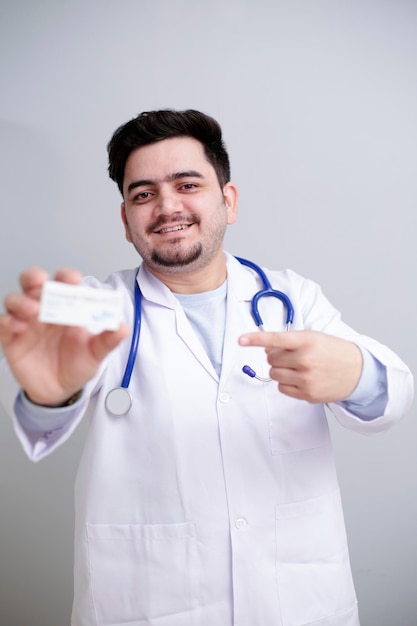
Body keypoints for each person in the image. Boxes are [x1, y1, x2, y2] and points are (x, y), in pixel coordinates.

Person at [0, 109, 413, 626]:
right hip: (152, 605)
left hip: (299, 605)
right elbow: (45, 409)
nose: (167, 206)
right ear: (127, 220)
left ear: (228, 200)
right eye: (143, 193)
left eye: (187, 184)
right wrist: (48, 398)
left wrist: (356, 373)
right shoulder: (97, 309)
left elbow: (392, 397)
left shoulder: (293, 299)